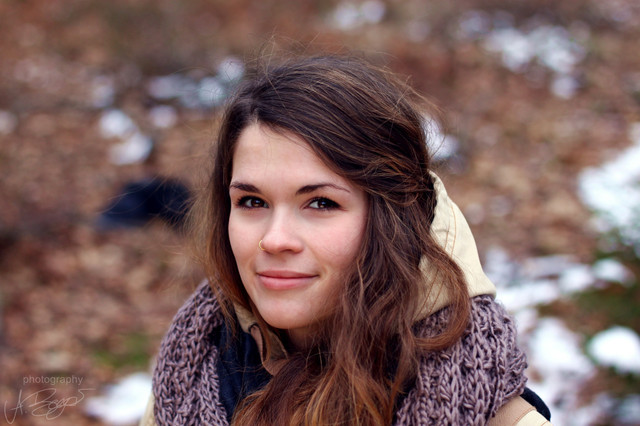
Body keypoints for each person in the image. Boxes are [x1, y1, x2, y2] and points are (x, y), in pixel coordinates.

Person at [141, 55, 551, 425]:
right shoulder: (188, 380)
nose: (275, 239)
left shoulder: (494, 416)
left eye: (321, 203)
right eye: (252, 201)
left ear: (392, 219)